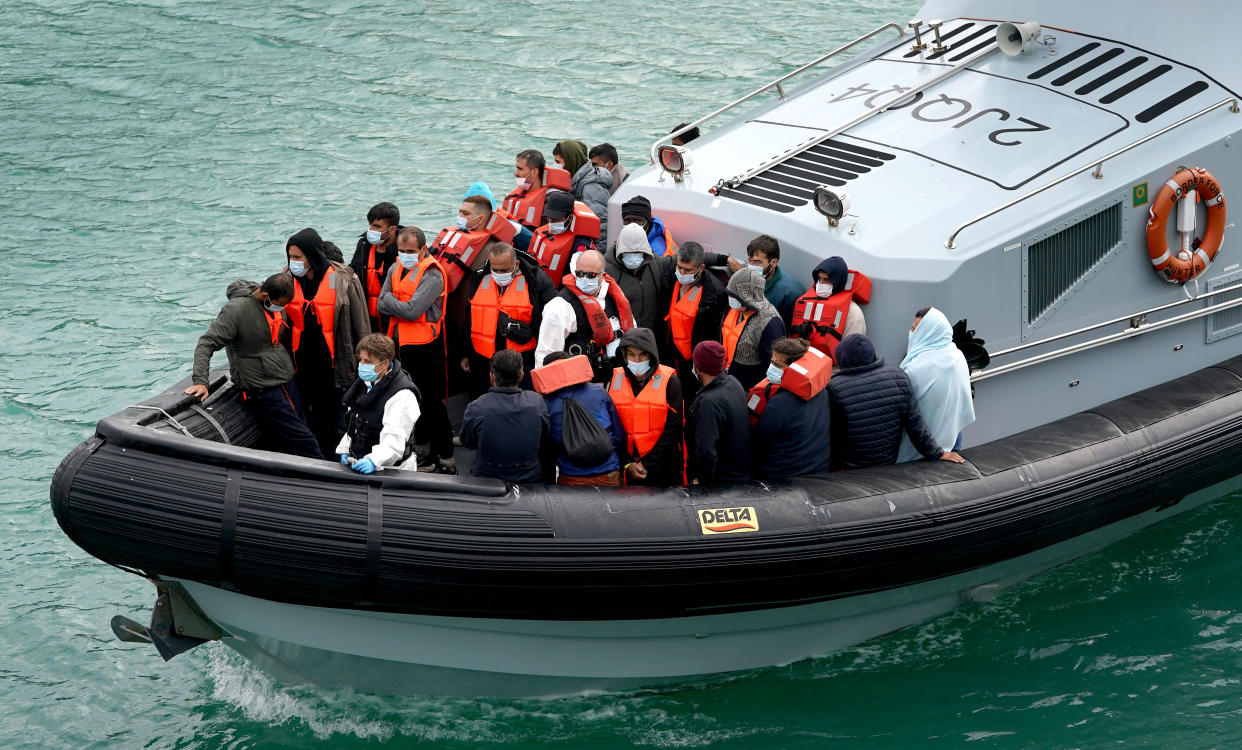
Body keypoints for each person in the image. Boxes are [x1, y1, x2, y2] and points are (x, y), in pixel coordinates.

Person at [187, 273, 322, 459]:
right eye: (280, 304)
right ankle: (328, 477)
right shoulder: (235, 311)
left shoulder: (274, 303)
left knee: (303, 428)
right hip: (261, 387)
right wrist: (201, 380)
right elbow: (206, 344)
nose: (282, 309)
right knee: (303, 439)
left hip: (284, 379)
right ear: (265, 296)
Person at [284, 227, 371, 459]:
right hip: (302, 362)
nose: (293, 262)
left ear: (312, 255)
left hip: (336, 362)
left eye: (298, 257)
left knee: (340, 412)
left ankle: (347, 455)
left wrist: (365, 358)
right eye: (290, 257)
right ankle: (319, 456)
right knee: (313, 413)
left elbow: (361, 323)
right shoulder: (286, 279)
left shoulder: (344, 278)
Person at [378, 226, 456, 474]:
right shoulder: (395, 267)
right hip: (400, 346)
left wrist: (392, 302)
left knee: (431, 403)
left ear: (423, 249)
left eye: (410, 251)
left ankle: (446, 456)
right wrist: (395, 303)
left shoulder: (432, 275)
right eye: (401, 250)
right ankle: (424, 453)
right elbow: (381, 304)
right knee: (409, 400)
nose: (405, 255)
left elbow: (413, 310)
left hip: (425, 347)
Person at [828, 333, 965, 470]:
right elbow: (915, 424)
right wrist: (937, 453)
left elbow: (833, 435)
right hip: (889, 464)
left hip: (852, 469)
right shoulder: (898, 376)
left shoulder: (835, 388)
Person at [459, 242, 556, 394]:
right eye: (495, 270)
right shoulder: (480, 277)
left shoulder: (537, 281)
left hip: (523, 361)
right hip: (484, 360)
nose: (499, 274)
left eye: (504, 270)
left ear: (516, 264)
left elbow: (551, 323)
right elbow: (470, 319)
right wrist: (465, 353)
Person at [535, 249, 636, 384]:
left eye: (591, 275)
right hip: (579, 387)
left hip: (616, 381)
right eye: (580, 274)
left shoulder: (615, 298)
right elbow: (546, 355)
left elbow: (634, 335)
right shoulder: (560, 306)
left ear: (602, 275)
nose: (584, 279)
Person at [607, 328, 684, 487]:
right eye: (631, 355)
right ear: (625, 355)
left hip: (662, 467)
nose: (637, 360)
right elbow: (610, 428)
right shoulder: (614, 379)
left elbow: (673, 429)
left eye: (642, 355)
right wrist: (627, 463)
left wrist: (647, 463)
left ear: (651, 355)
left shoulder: (671, 382)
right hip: (628, 467)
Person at [897, 307, 975, 462]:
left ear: (927, 333)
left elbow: (907, 415)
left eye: (914, 329)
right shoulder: (958, 356)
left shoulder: (915, 368)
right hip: (953, 439)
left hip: (922, 450)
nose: (910, 332)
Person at [335, 334, 421, 473]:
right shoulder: (365, 382)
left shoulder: (402, 395)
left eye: (368, 361)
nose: (362, 365)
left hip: (392, 471)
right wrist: (346, 448)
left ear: (385, 363)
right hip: (361, 462)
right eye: (360, 360)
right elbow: (354, 421)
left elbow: (394, 442)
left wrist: (373, 460)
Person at [749, 338, 833, 481]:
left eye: (777, 365)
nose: (771, 368)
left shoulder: (779, 404)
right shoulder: (820, 390)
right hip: (820, 468)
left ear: (794, 368)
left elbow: (759, 443)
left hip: (785, 476)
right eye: (771, 362)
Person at [460, 349, 549, 483]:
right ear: (521, 375)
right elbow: (545, 437)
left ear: (491, 377)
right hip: (530, 479)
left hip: (487, 481)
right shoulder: (537, 402)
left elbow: (468, 442)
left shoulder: (477, 407)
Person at [540, 351, 626, 486]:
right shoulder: (599, 392)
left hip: (572, 478)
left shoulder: (546, 405)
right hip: (608, 473)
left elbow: (547, 450)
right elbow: (619, 435)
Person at [663, 240, 728, 409]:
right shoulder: (671, 276)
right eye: (680, 267)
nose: (682, 272)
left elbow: (712, 334)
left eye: (688, 270)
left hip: (693, 362)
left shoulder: (713, 292)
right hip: (671, 354)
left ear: (701, 268)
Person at [685, 341, 749, 486]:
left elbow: (706, 451)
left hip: (722, 481)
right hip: (740, 471)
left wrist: (703, 481)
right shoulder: (733, 383)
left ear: (697, 367)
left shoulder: (709, 402)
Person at [790, 255, 867, 363]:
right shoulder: (808, 302)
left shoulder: (853, 313)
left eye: (826, 280)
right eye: (819, 279)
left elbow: (852, 354)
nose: (821, 284)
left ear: (838, 281)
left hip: (832, 372)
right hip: (803, 363)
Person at [721, 265, 785, 390]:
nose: (730, 298)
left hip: (749, 388)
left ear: (747, 296)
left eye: (734, 295)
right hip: (728, 379)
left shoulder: (771, 324)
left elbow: (773, 365)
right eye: (729, 294)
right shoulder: (736, 308)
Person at [605, 223, 674, 336]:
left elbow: (677, 261)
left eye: (637, 253)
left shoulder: (654, 264)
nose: (633, 257)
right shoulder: (607, 270)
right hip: (623, 340)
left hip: (649, 338)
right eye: (628, 253)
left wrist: (713, 258)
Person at [726, 235, 802, 327]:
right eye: (749, 261)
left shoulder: (790, 293)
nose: (751, 266)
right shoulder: (744, 278)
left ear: (773, 262)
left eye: (757, 262)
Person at [348, 202, 401, 333]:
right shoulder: (363, 244)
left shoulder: (405, 251)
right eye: (370, 225)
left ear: (392, 229)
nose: (370, 230)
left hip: (393, 318)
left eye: (376, 226)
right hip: (366, 316)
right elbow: (352, 272)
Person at [528, 190, 599, 287]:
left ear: (569, 218)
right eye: (550, 218)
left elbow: (583, 280)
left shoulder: (581, 245)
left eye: (556, 219)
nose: (551, 222)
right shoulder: (549, 232)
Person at [553, 139, 611, 241]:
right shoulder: (575, 180)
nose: (555, 166)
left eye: (558, 162)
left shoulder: (590, 187)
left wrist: (595, 255)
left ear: (570, 161)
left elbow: (601, 226)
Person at [501, 149, 550, 232]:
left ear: (534, 172)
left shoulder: (547, 201)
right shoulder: (518, 194)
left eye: (520, 169)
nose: (515, 173)